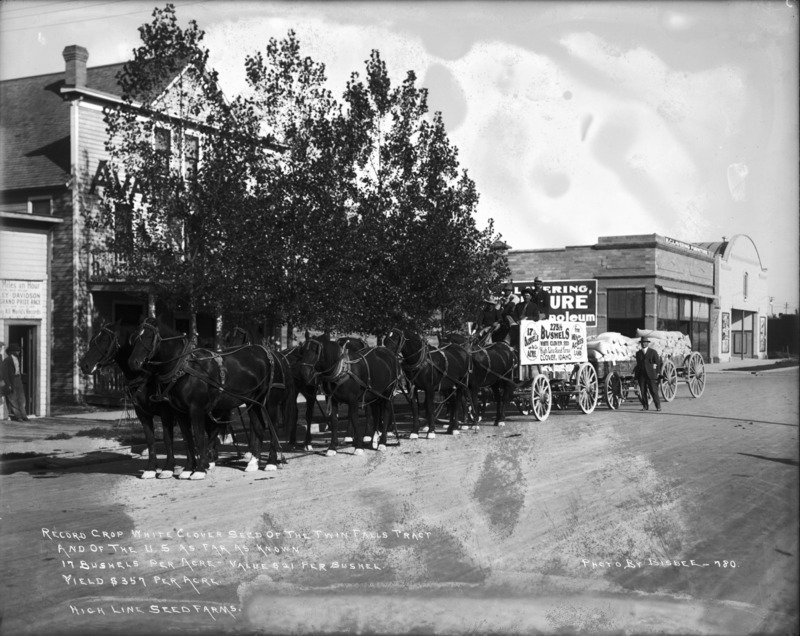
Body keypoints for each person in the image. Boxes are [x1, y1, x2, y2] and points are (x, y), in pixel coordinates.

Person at [2, 343, 29, 421]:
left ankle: (24, 415)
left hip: (18, 379)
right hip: (11, 380)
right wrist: (8, 384)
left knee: (21, 398)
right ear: (12, 351)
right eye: (17, 351)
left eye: (18, 350)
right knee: (13, 398)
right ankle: (18, 416)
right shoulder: (7, 360)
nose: (18, 352)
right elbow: (5, 373)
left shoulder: (18, 359)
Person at [635, 337, 662, 412]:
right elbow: (638, 365)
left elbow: (657, 363)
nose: (643, 344)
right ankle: (645, 406)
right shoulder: (638, 353)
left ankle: (658, 406)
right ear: (640, 344)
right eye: (642, 343)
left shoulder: (653, 352)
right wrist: (636, 377)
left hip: (651, 375)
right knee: (643, 391)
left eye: (645, 342)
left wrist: (657, 373)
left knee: (653, 390)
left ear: (647, 343)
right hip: (642, 375)